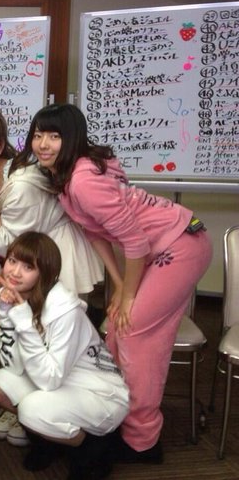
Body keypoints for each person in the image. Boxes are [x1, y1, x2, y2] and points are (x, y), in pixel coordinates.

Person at [25, 103, 212, 463]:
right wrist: (119, 286)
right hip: (161, 246)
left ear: (72, 138)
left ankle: (143, 441)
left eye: (54, 136)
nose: (43, 144)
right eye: (38, 135)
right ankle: (115, 419)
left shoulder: (83, 180)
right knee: (114, 331)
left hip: (180, 245)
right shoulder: (66, 176)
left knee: (133, 331)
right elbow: (97, 233)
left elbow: (135, 242)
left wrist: (127, 296)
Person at [0, 104, 104, 446]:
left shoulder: (21, 183)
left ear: (1, 146)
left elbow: (10, 243)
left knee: (53, 342)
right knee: (29, 332)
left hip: (55, 259)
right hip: (34, 260)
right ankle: (26, 404)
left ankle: (46, 415)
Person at [0, 232, 129, 478]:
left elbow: (48, 380)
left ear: (45, 273)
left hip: (100, 393)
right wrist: (6, 313)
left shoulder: (65, 311)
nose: (15, 272)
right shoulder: (21, 300)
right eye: (12, 261)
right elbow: (14, 366)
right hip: (63, 381)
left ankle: (92, 448)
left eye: (28, 267)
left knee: (31, 410)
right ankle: (48, 442)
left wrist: (23, 322)